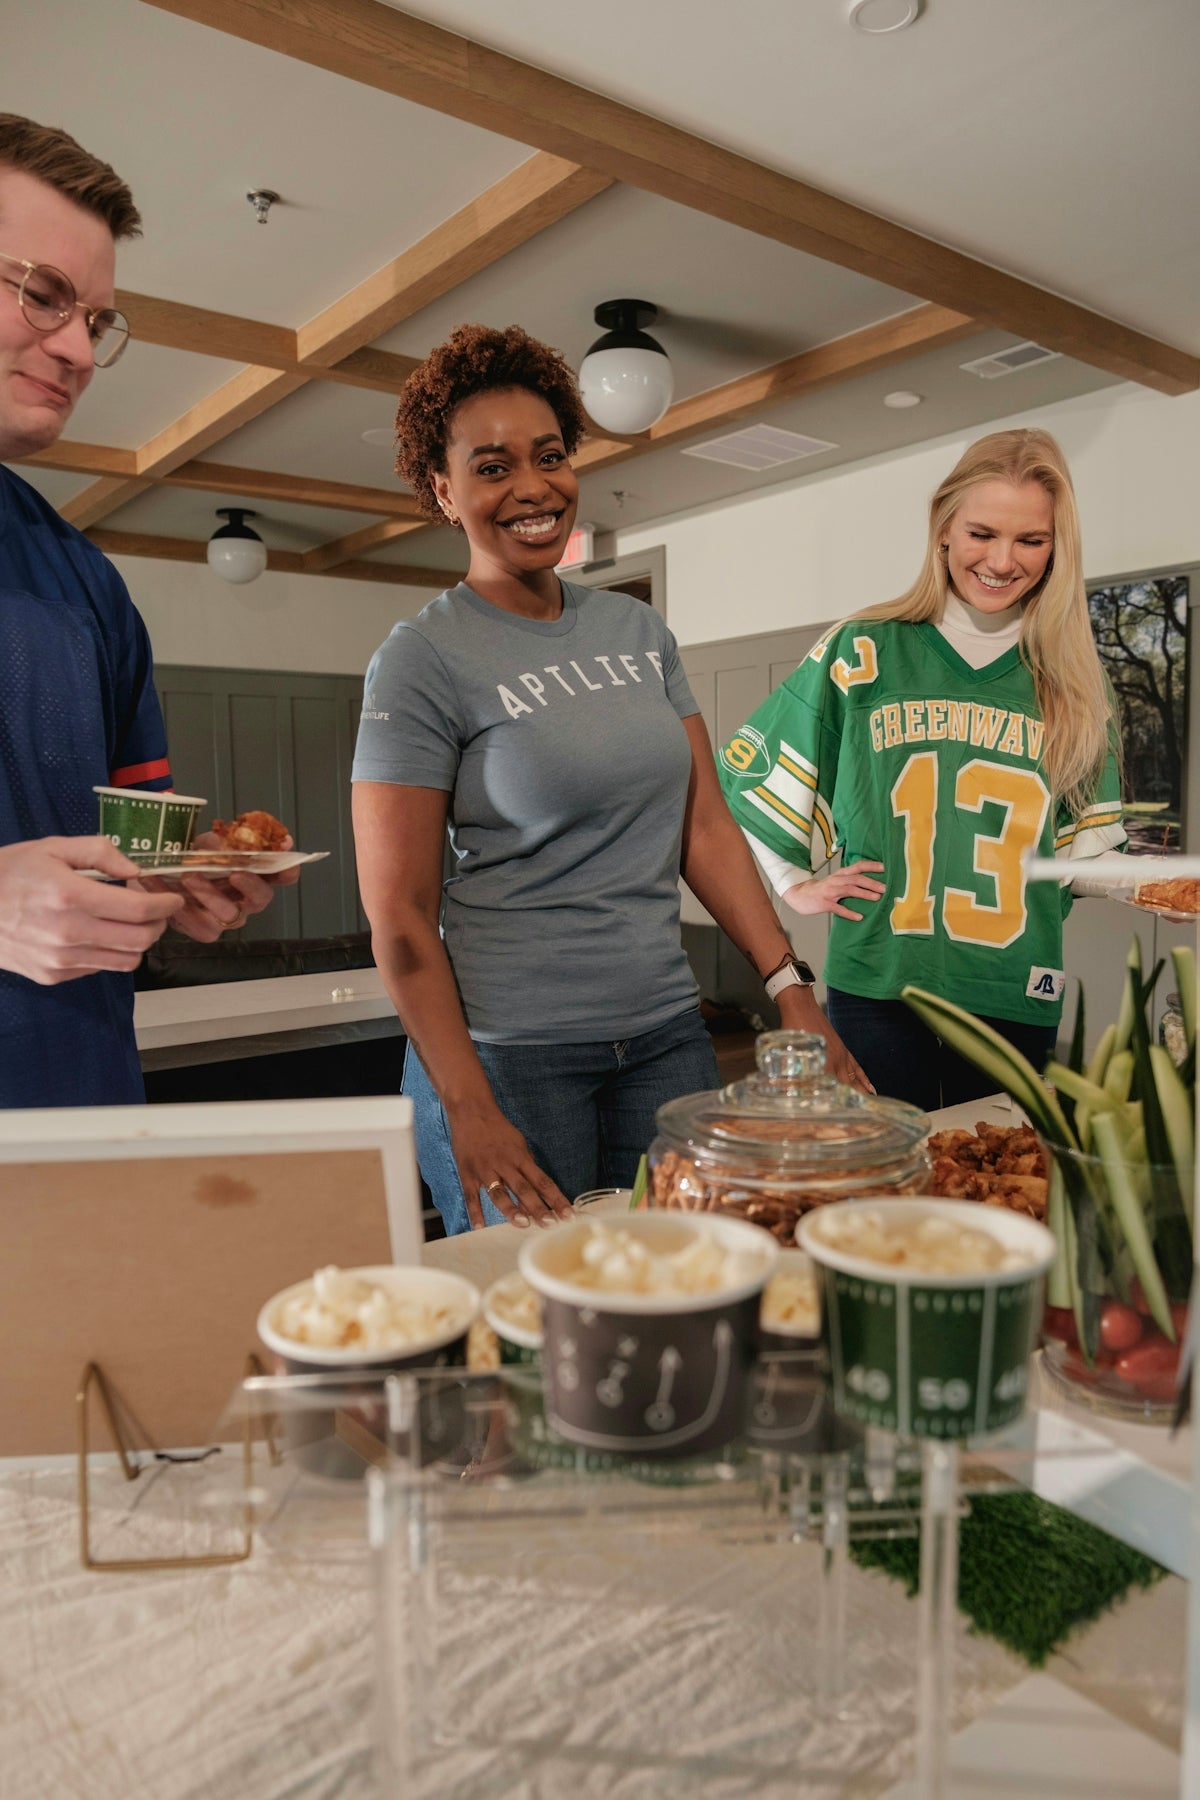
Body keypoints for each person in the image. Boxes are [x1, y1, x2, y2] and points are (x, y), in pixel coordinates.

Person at [353, 324, 867, 1233]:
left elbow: (703, 823)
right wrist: (464, 1103)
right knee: (532, 1330)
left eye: (548, 456)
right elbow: (398, 913)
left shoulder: (638, 635)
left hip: (666, 1038)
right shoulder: (422, 658)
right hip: (512, 1054)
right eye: (493, 466)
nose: (531, 487)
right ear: (444, 490)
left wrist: (790, 988)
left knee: (675, 1281)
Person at [0, 115, 289, 1108]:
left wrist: (179, 892)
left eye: (96, 318)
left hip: (84, 1125)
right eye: (42, 293)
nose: (78, 346)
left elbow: (141, 860)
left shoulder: (87, 584)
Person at [719, 428, 1126, 1112]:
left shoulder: (1075, 683)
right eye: (982, 532)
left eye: (1031, 540)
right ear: (943, 530)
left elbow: (1077, 857)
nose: (1002, 559)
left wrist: (1155, 886)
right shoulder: (863, 649)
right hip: (880, 980)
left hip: (1011, 987)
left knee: (996, 1189)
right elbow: (751, 772)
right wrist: (793, 882)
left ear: (1058, 547)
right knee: (885, 1191)